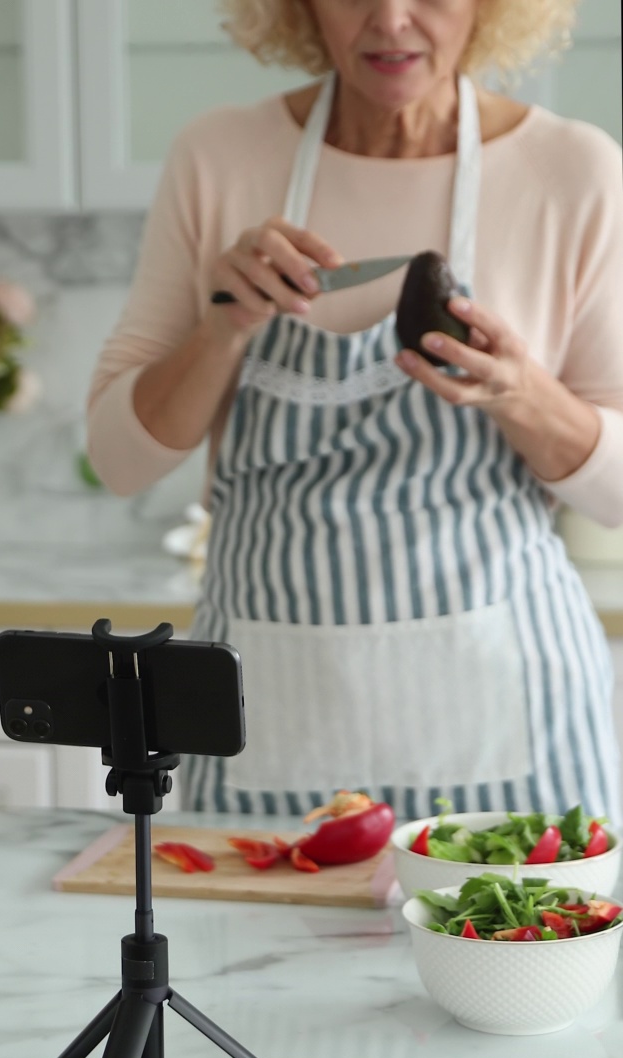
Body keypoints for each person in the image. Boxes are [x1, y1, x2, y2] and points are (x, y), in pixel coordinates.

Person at [88, 0, 623, 823]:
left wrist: (521, 390)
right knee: (253, 954)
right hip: (269, 707)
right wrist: (223, 324)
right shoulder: (220, 156)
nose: (392, 19)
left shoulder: (574, 171)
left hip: (509, 705)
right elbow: (119, 460)